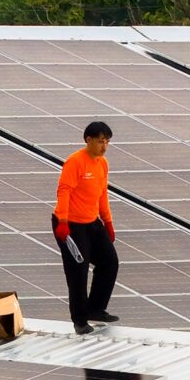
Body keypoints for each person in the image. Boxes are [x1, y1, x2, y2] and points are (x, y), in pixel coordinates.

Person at [53, 120, 119, 333]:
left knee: (109, 261)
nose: (104, 146)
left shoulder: (102, 163)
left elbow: (102, 194)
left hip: (92, 222)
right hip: (71, 225)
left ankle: (95, 309)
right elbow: (64, 190)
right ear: (88, 140)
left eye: (107, 142)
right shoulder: (75, 162)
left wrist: (108, 222)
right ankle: (80, 320)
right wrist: (63, 222)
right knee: (78, 272)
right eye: (100, 141)